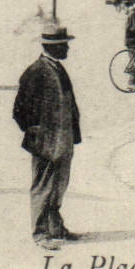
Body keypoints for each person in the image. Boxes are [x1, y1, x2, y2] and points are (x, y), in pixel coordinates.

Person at [12, 14, 81, 250]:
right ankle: (40, 233)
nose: (68, 48)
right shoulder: (35, 72)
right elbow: (19, 110)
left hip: (64, 140)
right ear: (54, 46)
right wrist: (36, 132)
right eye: (65, 45)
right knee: (43, 185)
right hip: (46, 142)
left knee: (60, 184)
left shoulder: (58, 69)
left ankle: (55, 227)